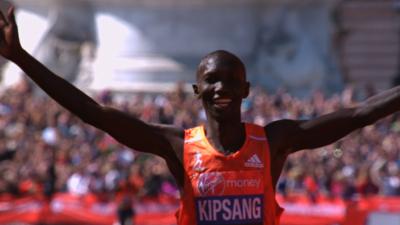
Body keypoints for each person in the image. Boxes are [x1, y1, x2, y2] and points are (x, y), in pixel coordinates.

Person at [1, 6, 400, 225]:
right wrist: (20, 57)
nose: (221, 88)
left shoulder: (275, 140)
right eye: (211, 80)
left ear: (246, 90)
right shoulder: (177, 145)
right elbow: (92, 112)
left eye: (231, 81)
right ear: (197, 90)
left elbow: (358, 114)